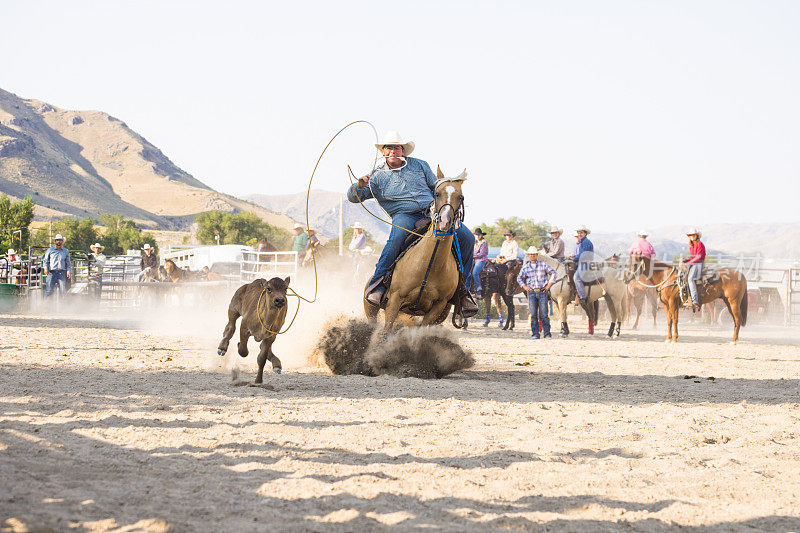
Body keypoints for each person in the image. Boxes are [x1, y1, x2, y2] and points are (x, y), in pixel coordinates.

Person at [347, 130, 476, 314]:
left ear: (403, 151)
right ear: (383, 151)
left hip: (431, 212)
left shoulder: (420, 165)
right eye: (389, 148)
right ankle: (378, 285)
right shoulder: (376, 176)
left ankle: (463, 290)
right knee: (396, 238)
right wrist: (359, 186)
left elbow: (436, 187)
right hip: (404, 215)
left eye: (397, 148)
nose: (393, 151)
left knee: (468, 238)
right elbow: (354, 197)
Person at [516, 246, 557, 339]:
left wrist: (548, 285)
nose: (532, 256)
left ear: (537, 255)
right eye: (531, 255)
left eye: (534, 254)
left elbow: (554, 273)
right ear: (529, 256)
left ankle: (547, 333)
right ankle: (535, 333)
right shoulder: (526, 267)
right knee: (533, 314)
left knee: (544, 314)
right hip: (532, 292)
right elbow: (519, 278)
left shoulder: (543, 264)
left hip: (542, 291)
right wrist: (525, 287)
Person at [569, 225, 594, 307]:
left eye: (581, 233)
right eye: (579, 233)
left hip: (585, 263)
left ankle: (583, 297)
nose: (579, 234)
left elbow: (583, 256)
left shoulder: (586, 242)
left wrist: (573, 259)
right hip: (581, 262)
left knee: (576, 277)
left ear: (585, 233)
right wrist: (573, 257)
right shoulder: (582, 242)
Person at [683, 227, 706, 312]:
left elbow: (698, 257)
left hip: (699, 263)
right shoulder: (692, 245)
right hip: (694, 263)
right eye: (690, 235)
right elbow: (693, 257)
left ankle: (695, 300)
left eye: (693, 235)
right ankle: (687, 298)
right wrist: (686, 260)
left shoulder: (699, 244)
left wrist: (689, 262)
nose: (692, 237)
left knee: (690, 278)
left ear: (696, 236)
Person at [472, 228, 489, 295]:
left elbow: (481, 254)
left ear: (482, 235)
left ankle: (479, 288)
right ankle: (469, 288)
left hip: (481, 260)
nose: (478, 236)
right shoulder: (474, 242)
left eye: (479, 235)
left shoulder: (484, 242)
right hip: (474, 260)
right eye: (476, 235)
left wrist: (472, 256)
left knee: (475, 273)